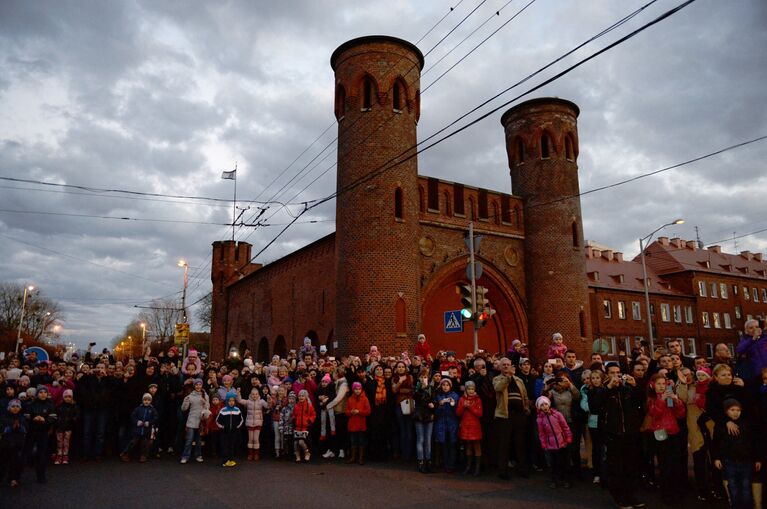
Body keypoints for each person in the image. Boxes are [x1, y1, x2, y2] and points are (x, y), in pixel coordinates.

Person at [590, 363, 645, 509]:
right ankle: (619, 497)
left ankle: (631, 495)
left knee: (631, 466)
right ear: (607, 375)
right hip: (612, 433)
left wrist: (634, 387)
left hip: (629, 433)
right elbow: (594, 406)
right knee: (616, 468)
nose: (616, 376)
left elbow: (639, 403)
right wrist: (608, 388)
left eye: (618, 372)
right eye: (612, 373)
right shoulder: (602, 390)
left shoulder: (626, 389)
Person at [712, 398, 762, 509]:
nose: (735, 412)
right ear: (726, 411)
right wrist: (716, 458)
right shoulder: (721, 426)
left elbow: (754, 442)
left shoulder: (746, 424)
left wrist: (757, 459)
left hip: (746, 462)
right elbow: (716, 443)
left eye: (738, 410)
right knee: (733, 488)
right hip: (729, 462)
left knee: (746, 489)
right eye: (732, 410)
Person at [646, 373, 686, 504]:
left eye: (664, 384)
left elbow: (680, 415)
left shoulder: (669, 396)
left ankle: (676, 491)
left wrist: (676, 401)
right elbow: (655, 413)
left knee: (675, 464)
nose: (662, 386)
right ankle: (666, 493)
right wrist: (661, 400)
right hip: (660, 433)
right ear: (653, 385)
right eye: (659, 384)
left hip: (673, 431)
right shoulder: (651, 398)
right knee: (665, 465)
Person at [493, 357, 530, 480]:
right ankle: (502, 470)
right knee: (504, 444)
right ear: (499, 367)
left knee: (520, 443)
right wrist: (508, 378)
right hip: (504, 415)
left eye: (508, 365)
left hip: (519, 415)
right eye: (503, 365)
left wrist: (526, 408)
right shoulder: (497, 379)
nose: (506, 367)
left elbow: (524, 395)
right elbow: (498, 388)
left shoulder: (519, 380)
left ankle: (522, 469)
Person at [536, 395, 573, 489]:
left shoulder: (557, 414)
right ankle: (554, 480)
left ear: (549, 404)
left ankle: (565, 480)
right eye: (542, 405)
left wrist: (568, 437)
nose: (544, 407)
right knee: (554, 464)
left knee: (563, 462)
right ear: (539, 407)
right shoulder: (540, 419)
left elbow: (565, 427)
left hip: (562, 442)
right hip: (551, 445)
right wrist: (543, 443)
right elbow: (541, 433)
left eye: (545, 404)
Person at [120, 393, 159, 463]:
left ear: (151, 401)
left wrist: (149, 422)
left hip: (147, 430)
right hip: (137, 430)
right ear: (142, 400)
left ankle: (144, 456)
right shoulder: (138, 408)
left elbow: (155, 418)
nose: (146, 401)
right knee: (133, 442)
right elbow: (133, 416)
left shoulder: (152, 409)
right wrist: (137, 422)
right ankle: (125, 454)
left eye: (148, 400)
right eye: (145, 400)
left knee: (145, 444)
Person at [456, 380, 483, 476]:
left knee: (476, 445)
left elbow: (480, 414)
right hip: (465, 425)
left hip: (475, 425)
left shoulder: (477, 399)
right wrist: (463, 406)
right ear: (466, 390)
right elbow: (458, 413)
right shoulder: (462, 399)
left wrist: (470, 407)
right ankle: (468, 466)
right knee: (467, 445)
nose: (471, 391)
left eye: (472, 389)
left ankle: (477, 468)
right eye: (469, 389)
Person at [180, 378, 209, 464]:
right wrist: (185, 401)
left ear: (202, 385)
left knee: (198, 440)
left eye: (200, 384)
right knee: (189, 440)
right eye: (196, 384)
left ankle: (198, 455)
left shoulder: (205, 395)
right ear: (194, 386)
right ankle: (185, 456)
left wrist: (205, 403)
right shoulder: (190, 396)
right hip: (191, 420)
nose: (198, 386)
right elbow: (183, 409)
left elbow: (208, 408)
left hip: (201, 421)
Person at [434, 378, 459, 473]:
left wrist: (453, 405)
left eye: (447, 385)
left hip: (452, 424)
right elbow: (436, 412)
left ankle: (451, 465)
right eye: (443, 385)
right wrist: (440, 404)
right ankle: (445, 464)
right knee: (444, 445)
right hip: (441, 424)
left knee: (452, 444)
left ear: (450, 386)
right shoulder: (438, 396)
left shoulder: (455, 396)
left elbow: (458, 412)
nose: (445, 387)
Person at [237, 387, 269, 461]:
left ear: (258, 395)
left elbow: (268, 406)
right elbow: (240, 400)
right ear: (250, 395)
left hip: (258, 423)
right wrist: (238, 393)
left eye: (256, 394)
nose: (254, 395)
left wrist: (269, 401)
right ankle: (250, 454)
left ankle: (256, 454)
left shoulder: (261, 401)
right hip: (250, 423)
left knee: (256, 439)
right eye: (253, 394)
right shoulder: (248, 401)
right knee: (250, 439)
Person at [0, 399, 27, 487]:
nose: (15, 408)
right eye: (13, 406)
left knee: (16, 461)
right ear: (9, 407)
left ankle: (13, 478)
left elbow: (25, 429)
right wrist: (11, 425)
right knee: (3, 461)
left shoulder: (22, 417)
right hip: (6, 443)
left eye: (17, 406)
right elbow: (3, 428)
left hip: (18, 443)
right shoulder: (4, 417)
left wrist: (19, 426)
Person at [345, 381, 371, 465]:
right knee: (353, 442)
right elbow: (346, 412)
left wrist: (359, 412)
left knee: (361, 442)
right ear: (353, 390)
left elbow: (368, 411)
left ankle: (360, 458)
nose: (357, 390)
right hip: (352, 424)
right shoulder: (350, 399)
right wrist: (351, 412)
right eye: (356, 389)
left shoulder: (365, 399)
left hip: (361, 424)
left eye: (359, 389)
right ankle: (353, 457)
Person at [216, 391, 243, 467]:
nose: (231, 402)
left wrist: (237, 427)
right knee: (225, 446)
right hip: (224, 432)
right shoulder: (223, 410)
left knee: (232, 446)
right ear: (227, 401)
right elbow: (217, 421)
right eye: (229, 401)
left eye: (233, 400)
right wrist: (223, 427)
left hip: (233, 432)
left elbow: (241, 420)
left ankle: (231, 460)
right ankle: (224, 461)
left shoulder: (237, 410)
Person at [735, 319, 766, 385]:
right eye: (751, 328)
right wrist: (753, 339)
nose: (755, 329)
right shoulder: (745, 341)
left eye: (756, 327)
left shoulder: (764, 338)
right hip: (757, 374)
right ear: (746, 331)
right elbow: (739, 350)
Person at [54, 388, 79, 465]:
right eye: (66, 397)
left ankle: (65, 455)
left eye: (69, 397)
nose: (67, 398)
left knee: (66, 441)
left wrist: (72, 420)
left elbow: (77, 415)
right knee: (59, 441)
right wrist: (57, 422)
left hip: (68, 426)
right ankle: (59, 455)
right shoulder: (59, 406)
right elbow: (56, 415)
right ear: (63, 397)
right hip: (59, 426)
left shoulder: (74, 406)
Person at [292, 389, 316, 463]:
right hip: (297, 428)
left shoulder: (309, 406)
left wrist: (310, 420)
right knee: (296, 443)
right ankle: (297, 456)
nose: (301, 397)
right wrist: (294, 419)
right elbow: (294, 415)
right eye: (299, 396)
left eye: (302, 396)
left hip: (305, 428)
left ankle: (307, 452)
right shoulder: (296, 406)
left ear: (306, 397)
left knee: (301, 442)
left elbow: (313, 414)